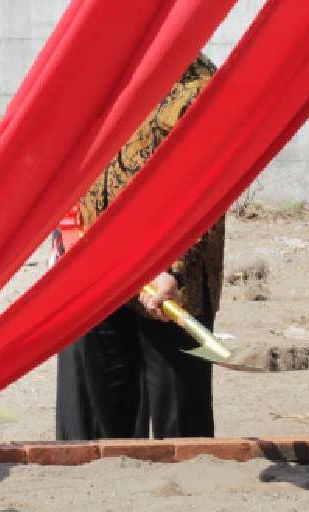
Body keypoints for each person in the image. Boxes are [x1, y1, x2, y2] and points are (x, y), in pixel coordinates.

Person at [56, 54, 225, 440]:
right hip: (91, 264)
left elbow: (207, 183)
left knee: (179, 422)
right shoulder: (95, 73)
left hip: (165, 277)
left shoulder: (197, 84)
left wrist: (176, 268)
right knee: (94, 417)